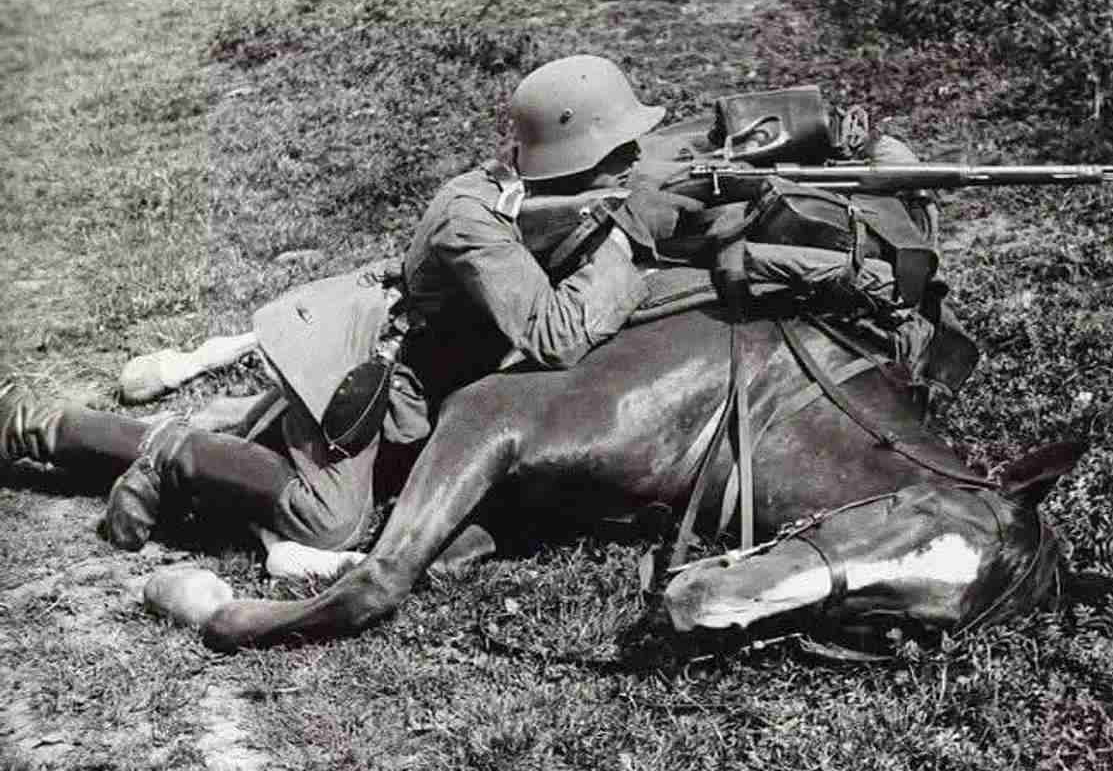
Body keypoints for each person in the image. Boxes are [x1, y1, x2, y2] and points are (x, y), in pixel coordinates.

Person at [0, 54, 694, 571]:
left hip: (426, 388)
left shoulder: (544, 200)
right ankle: (173, 451)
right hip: (365, 370)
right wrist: (630, 238)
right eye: (617, 156)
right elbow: (553, 334)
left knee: (254, 451)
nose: (629, 168)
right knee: (327, 523)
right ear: (574, 155)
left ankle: (40, 425)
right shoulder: (472, 216)